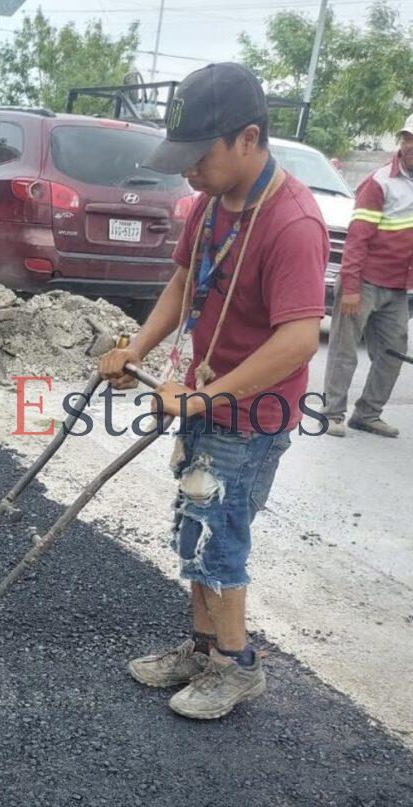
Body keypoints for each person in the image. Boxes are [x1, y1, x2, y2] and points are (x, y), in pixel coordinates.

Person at [99, 63, 327, 720]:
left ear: (248, 138)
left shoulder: (293, 222)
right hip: (205, 399)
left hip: (250, 416)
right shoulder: (209, 205)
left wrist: (204, 397)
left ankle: (236, 664)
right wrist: (134, 351)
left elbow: (297, 340)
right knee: (193, 525)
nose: (187, 171)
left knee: (221, 534)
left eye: (199, 156)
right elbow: (179, 286)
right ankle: (202, 647)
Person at [321, 116, 413, 438]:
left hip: (398, 286)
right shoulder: (379, 182)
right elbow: (357, 238)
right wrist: (349, 286)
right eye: (407, 139)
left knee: (393, 353)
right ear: (401, 142)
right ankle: (332, 413)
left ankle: (368, 414)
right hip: (362, 282)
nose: (411, 146)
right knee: (344, 351)